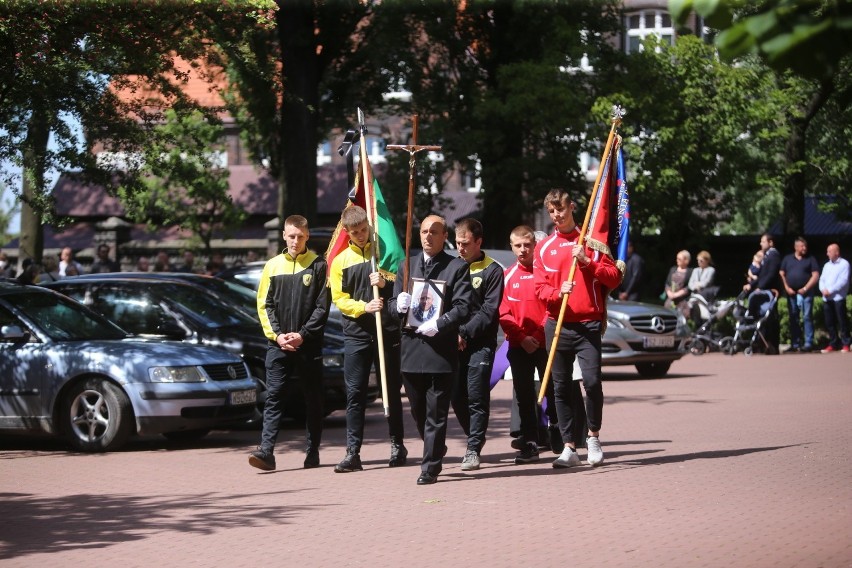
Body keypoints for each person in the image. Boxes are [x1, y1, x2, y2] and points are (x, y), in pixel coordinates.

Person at [534, 189, 621, 469]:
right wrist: (558, 292)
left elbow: (614, 278)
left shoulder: (591, 243)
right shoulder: (543, 247)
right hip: (557, 324)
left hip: (587, 324)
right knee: (560, 388)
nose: (557, 216)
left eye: (561, 209)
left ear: (572, 207)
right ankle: (569, 446)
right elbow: (540, 288)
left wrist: (587, 261)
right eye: (551, 211)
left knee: (592, 382)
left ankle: (593, 437)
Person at [389, 215, 472, 485]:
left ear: (444, 235)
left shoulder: (456, 267)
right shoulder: (407, 266)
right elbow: (392, 305)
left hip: (440, 352)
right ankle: (435, 447)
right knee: (419, 412)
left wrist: (441, 323)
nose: (427, 236)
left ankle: (430, 467)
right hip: (411, 350)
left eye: (434, 232)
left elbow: (462, 307)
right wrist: (397, 306)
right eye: (424, 231)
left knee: (436, 413)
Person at [248, 215, 330, 472]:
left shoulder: (318, 265)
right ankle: (266, 452)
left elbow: (322, 307)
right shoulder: (272, 266)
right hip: (278, 345)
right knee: (274, 397)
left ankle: (312, 451)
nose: (296, 241)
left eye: (301, 236)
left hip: (309, 345)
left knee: (313, 399)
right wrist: (278, 335)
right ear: (284, 235)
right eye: (292, 236)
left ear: (307, 236)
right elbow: (264, 304)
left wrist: (303, 334)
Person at [329, 205, 407, 473]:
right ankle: (353, 453)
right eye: (355, 232)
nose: (360, 236)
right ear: (347, 233)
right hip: (356, 334)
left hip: (386, 331)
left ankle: (398, 444)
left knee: (392, 390)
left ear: (369, 227)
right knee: (355, 393)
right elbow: (339, 299)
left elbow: (403, 283)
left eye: (364, 230)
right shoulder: (340, 261)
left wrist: (385, 284)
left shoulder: (382, 252)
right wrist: (364, 307)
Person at [500, 225, 565, 465]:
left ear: (535, 246)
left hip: (544, 344)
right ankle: (529, 442)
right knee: (524, 395)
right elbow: (503, 312)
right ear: (512, 247)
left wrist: (537, 336)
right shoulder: (506, 276)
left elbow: (552, 308)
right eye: (518, 245)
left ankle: (557, 432)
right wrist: (521, 338)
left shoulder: (546, 274)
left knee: (553, 390)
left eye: (527, 245)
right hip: (519, 346)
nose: (523, 250)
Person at [450, 218, 504, 471]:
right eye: (457, 243)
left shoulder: (493, 270)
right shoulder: (453, 267)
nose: (460, 248)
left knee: (476, 396)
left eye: (465, 243)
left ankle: (473, 449)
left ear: (478, 242)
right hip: (454, 343)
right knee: (456, 396)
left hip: (480, 344)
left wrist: (464, 332)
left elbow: (488, 311)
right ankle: (475, 436)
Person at [779, 237, 820, 353]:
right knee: (793, 317)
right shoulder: (787, 259)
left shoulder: (810, 259)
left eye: (805, 246)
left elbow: (815, 275)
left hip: (806, 293)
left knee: (807, 317)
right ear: (796, 247)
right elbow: (782, 273)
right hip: (791, 293)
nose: (804, 248)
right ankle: (795, 343)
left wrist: (806, 288)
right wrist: (787, 287)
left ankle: (808, 343)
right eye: (802, 246)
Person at [743, 232, 782, 353]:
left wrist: (761, 287)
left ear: (770, 243)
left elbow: (771, 274)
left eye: (763, 241)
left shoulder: (774, 255)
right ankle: (762, 344)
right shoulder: (766, 256)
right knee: (760, 318)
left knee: (770, 319)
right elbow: (761, 275)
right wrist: (751, 285)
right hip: (762, 293)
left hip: (770, 292)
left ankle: (773, 345)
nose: (761, 243)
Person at [818, 243, 850, 353]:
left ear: (836, 252)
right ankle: (833, 343)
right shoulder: (827, 265)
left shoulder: (844, 264)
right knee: (829, 322)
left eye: (829, 251)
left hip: (838, 297)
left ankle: (846, 343)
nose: (827, 254)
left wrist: (830, 290)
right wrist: (823, 290)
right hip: (827, 298)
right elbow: (822, 279)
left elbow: (843, 281)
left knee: (842, 321)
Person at [663, 250, 692, 315]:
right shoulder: (673, 269)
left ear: (686, 260)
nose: (677, 260)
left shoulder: (690, 272)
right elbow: (667, 283)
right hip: (670, 299)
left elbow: (689, 286)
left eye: (679, 259)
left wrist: (677, 294)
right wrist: (669, 293)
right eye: (677, 258)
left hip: (682, 302)